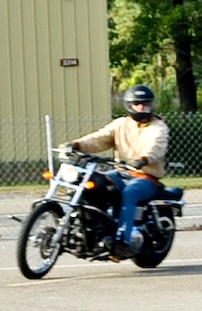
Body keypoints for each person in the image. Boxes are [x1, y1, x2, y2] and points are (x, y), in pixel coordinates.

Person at [67, 84, 169, 257]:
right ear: (130, 105)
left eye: (145, 104)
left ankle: (123, 239)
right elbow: (99, 138)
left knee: (130, 192)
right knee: (95, 183)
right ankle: (94, 229)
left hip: (146, 177)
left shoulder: (158, 127)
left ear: (151, 105)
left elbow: (157, 147)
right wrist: (76, 145)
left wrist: (143, 160)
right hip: (121, 172)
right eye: (137, 104)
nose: (141, 107)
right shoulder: (121, 124)